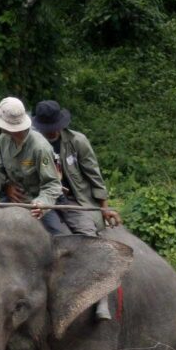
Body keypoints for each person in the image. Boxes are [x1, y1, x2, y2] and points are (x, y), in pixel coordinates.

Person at [31, 100, 120, 320]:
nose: (50, 132)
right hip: (43, 199)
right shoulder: (32, 142)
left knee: (88, 235)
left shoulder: (77, 141)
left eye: (53, 127)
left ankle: (100, 295)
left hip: (74, 199)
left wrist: (104, 208)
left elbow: (93, 175)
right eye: (46, 128)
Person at [0, 96, 62, 224]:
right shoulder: (3, 139)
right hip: (11, 200)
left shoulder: (40, 148)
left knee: (56, 236)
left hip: (34, 203)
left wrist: (41, 204)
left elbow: (52, 184)